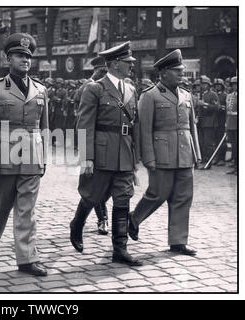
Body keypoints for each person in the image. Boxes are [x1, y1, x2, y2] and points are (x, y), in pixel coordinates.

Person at [0, 33, 49, 276]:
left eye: (28, 57)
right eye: (20, 55)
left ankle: (26, 259)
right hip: (5, 155)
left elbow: (45, 127)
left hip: (32, 155)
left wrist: (44, 159)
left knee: (26, 210)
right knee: (0, 207)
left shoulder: (41, 89)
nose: (25, 60)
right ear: (8, 58)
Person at [71, 41, 142, 266]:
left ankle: (119, 250)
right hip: (102, 152)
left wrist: (136, 156)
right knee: (92, 195)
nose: (131, 65)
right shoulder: (95, 89)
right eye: (127, 62)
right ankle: (77, 223)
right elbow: (84, 125)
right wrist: (87, 158)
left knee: (123, 199)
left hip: (125, 153)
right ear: (114, 64)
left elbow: (134, 125)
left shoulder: (130, 89)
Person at [128, 49, 200, 256]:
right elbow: (144, 129)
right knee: (157, 194)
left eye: (182, 70)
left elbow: (191, 126)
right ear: (164, 73)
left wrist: (197, 153)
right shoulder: (149, 96)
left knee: (183, 197)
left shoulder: (186, 95)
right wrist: (148, 157)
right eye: (177, 71)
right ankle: (134, 219)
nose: (181, 74)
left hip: (185, 153)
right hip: (162, 154)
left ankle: (178, 241)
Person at [73, 55, 109, 236]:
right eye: (100, 71)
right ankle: (102, 218)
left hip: (106, 140)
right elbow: (77, 105)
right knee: (93, 182)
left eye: (104, 70)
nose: (103, 73)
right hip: (89, 138)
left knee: (105, 184)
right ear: (95, 71)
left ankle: (95, 216)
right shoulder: (87, 87)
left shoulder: (109, 87)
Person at [197, 75, 220, 169]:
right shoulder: (201, 94)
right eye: (202, 84)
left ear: (208, 85)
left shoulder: (213, 94)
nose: (203, 86)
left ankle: (209, 162)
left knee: (208, 143)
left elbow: (217, 107)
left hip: (209, 122)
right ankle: (204, 160)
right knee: (201, 142)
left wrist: (205, 104)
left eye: (205, 84)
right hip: (201, 122)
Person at [213, 78, 227, 166]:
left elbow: (226, 107)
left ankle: (222, 158)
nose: (217, 87)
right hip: (215, 120)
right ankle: (217, 157)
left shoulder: (225, 95)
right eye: (216, 85)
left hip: (222, 119)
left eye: (219, 85)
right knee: (215, 139)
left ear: (222, 86)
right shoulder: (214, 95)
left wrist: (220, 107)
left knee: (222, 140)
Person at [225, 76, 237, 175]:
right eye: (233, 84)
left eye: (236, 84)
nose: (235, 86)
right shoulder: (230, 96)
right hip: (231, 123)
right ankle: (235, 164)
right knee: (233, 145)